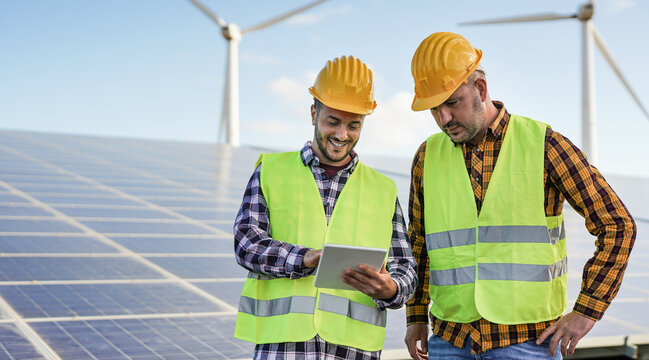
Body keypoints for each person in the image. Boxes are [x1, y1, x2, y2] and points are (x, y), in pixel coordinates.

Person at [403, 32, 636, 359]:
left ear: (480, 89)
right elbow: (419, 244)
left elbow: (618, 225)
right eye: (434, 109)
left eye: (452, 103)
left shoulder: (544, 144)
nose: (444, 118)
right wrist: (415, 316)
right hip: (449, 340)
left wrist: (587, 311)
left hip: (529, 343)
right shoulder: (426, 156)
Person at [233, 55, 418, 359]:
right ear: (313, 113)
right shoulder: (271, 170)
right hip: (284, 348)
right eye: (332, 121)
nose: (342, 135)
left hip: (353, 350)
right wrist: (303, 258)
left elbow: (405, 270)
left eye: (353, 125)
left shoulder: (383, 189)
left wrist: (391, 289)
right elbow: (246, 244)